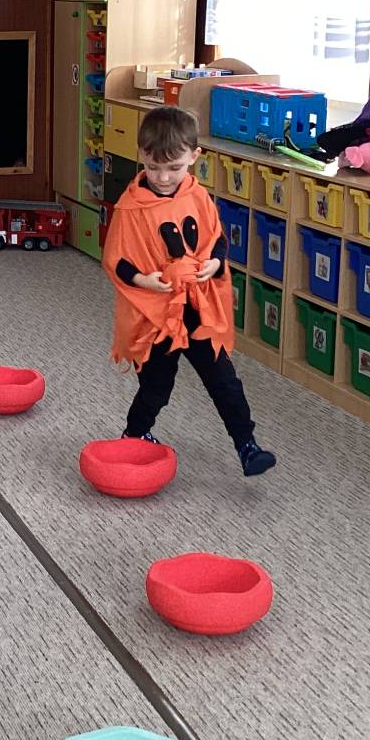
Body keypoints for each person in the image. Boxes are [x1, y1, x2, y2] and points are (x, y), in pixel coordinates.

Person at [102, 106, 276, 476]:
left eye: (174, 167)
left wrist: (214, 263)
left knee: (224, 380)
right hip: (156, 316)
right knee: (156, 385)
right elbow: (117, 259)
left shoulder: (198, 196)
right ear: (141, 154)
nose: (163, 178)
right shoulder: (130, 208)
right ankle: (135, 433)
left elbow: (217, 240)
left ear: (195, 157)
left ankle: (247, 444)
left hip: (198, 309)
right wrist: (144, 280)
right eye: (153, 167)